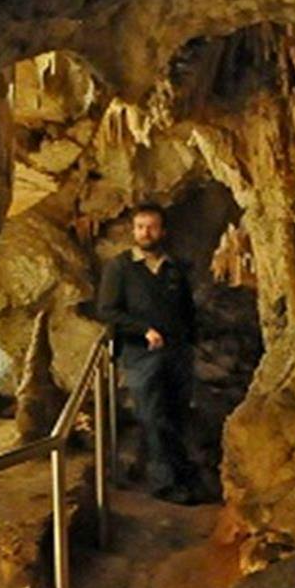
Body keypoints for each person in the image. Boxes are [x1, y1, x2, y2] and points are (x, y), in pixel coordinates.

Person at [95, 201, 206, 503]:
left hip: (177, 352)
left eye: (152, 227)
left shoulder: (174, 268)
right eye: (141, 227)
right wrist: (143, 329)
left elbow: (187, 309)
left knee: (177, 413)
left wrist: (192, 343)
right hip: (140, 354)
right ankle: (165, 483)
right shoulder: (120, 268)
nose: (146, 232)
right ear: (133, 230)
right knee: (153, 416)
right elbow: (107, 310)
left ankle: (183, 474)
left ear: (163, 230)